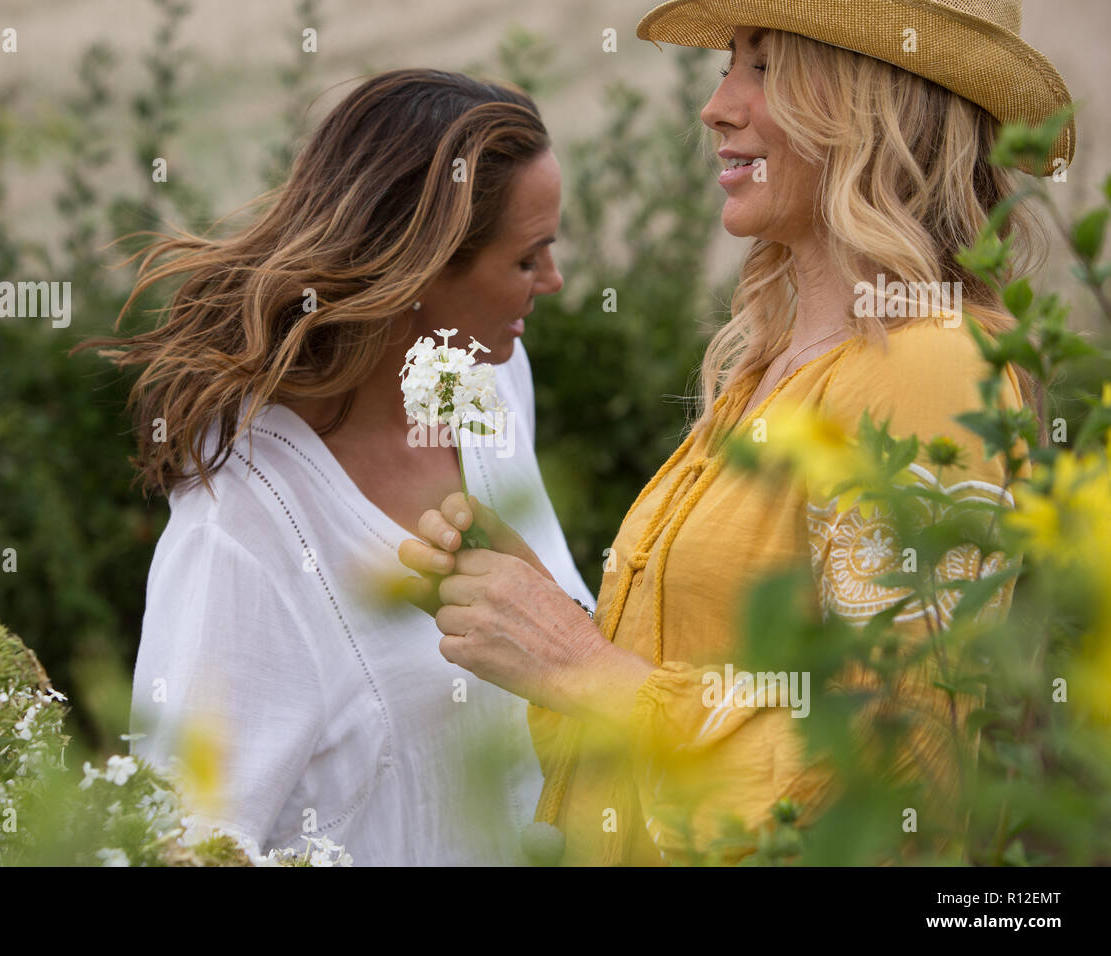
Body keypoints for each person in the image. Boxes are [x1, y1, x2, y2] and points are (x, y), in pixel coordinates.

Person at [399, 0, 1072, 865]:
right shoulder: (769, 372)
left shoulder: (928, 368)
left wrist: (578, 666)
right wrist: (535, 611)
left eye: (765, 68)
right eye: (729, 66)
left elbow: (902, 766)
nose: (717, 105)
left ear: (877, 104)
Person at [76, 69, 593, 865]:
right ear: (421, 271)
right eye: (528, 259)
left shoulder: (487, 386)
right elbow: (184, 841)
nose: (553, 281)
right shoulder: (244, 534)